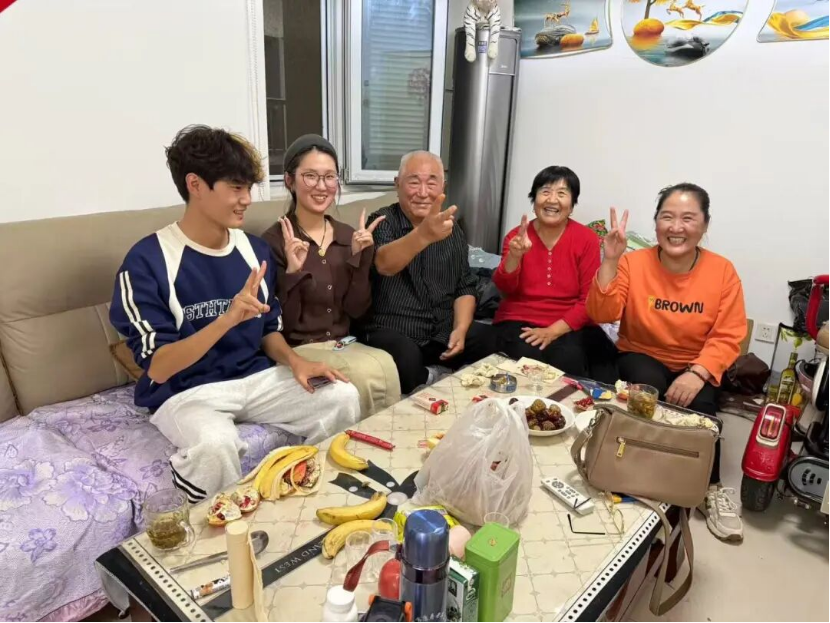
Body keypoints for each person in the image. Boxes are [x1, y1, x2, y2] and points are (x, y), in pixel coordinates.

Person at [110, 125, 360, 502]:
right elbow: (158, 368)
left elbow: (269, 328)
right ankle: (220, 527)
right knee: (215, 444)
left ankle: (317, 500)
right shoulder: (147, 261)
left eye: (249, 188)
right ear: (195, 185)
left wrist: (296, 362)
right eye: (236, 188)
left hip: (254, 379)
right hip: (185, 393)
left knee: (342, 396)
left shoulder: (254, 251)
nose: (247, 200)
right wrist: (226, 320)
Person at [586, 183, 748, 542]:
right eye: (667, 217)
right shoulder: (633, 262)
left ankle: (710, 487)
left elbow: (729, 334)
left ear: (705, 225)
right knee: (649, 388)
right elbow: (601, 312)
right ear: (656, 222)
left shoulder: (722, 271)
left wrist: (698, 373)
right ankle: (636, 471)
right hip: (641, 351)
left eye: (688, 218)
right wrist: (610, 261)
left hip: (696, 363)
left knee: (701, 410)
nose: (676, 227)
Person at [262, 135, 401, 416]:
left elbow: (357, 312)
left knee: (387, 364)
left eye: (329, 177)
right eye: (310, 176)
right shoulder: (274, 241)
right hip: (298, 349)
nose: (321, 186)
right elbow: (281, 327)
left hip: (342, 343)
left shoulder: (348, 236)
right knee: (361, 376)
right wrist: (293, 272)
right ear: (289, 181)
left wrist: (361, 259)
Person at [359, 151, 497, 394]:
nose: (423, 193)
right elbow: (384, 263)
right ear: (397, 184)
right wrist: (423, 235)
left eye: (432, 183)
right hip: (395, 329)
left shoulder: (452, 230)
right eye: (414, 182)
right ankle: (435, 380)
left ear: (443, 186)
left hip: (441, 331)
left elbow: (465, 286)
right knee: (404, 360)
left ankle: (442, 379)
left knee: (492, 339)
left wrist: (460, 328)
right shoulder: (382, 220)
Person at [493, 166, 607, 376]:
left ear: (571, 205)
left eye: (562, 193)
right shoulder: (516, 237)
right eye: (545, 191)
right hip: (519, 319)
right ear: (534, 200)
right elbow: (505, 290)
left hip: (569, 322)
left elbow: (588, 299)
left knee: (570, 359)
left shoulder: (587, 239)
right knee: (524, 360)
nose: (552, 200)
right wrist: (515, 256)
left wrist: (552, 331)